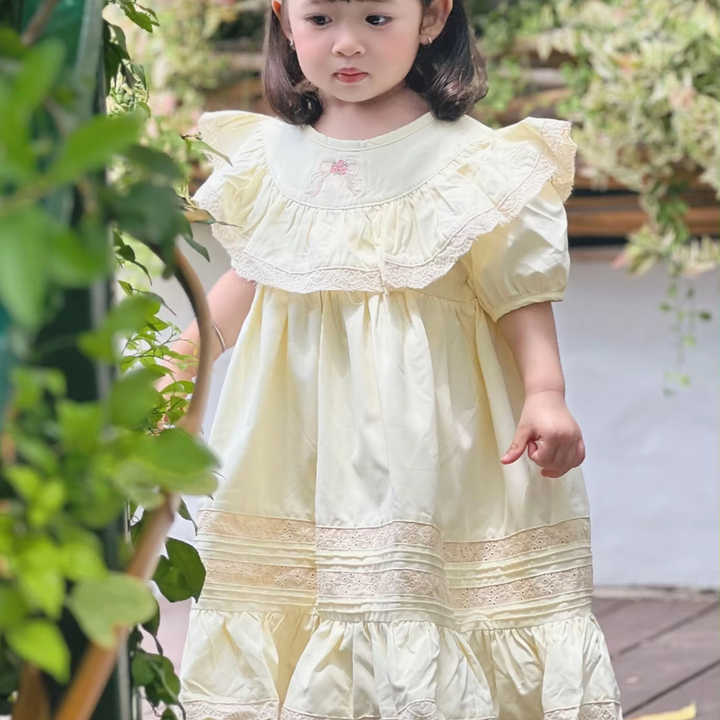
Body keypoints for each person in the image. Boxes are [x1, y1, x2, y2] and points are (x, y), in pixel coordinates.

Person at [167, 0, 624, 717]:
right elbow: (243, 285)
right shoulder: (271, 159)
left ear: (432, 17)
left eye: (377, 19)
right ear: (284, 19)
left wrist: (545, 391)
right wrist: (174, 371)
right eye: (321, 20)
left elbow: (518, 293)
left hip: (428, 445)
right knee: (300, 597)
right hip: (296, 450)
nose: (348, 43)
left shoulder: (472, 161)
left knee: (412, 596)